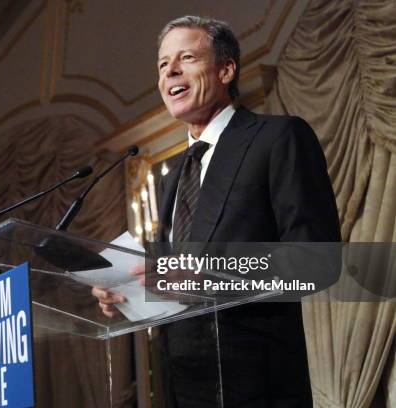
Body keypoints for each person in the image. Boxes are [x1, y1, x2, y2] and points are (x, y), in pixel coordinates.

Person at [92, 16, 341, 407]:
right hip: (182, 387)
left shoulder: (277, 138)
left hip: (259, 388)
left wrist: (208, 275)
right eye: (162, 64)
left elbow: (317, 262)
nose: (170, 70)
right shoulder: (171, 177)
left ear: (226, 70)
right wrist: (127, 290)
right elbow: (173, 286)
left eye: (186, 57)